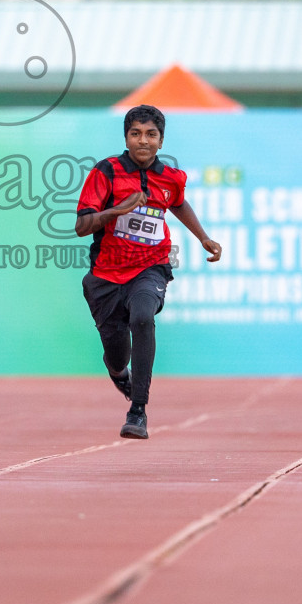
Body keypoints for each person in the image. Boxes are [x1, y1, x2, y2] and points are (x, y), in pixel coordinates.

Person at [75, 104, 221, 440]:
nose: (143, 141)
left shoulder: (170, 178)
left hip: (150, 267)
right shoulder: (106, 172)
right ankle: (116, 370)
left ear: (161, 139)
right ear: (126, 138)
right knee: (116, 352)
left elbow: (178, 202)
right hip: (106, 276)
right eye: (136, 134)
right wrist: (118, 210)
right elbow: (82, 226)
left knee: (143, 316)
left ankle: (137, 411)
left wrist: (203, 237)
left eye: (151, 135)